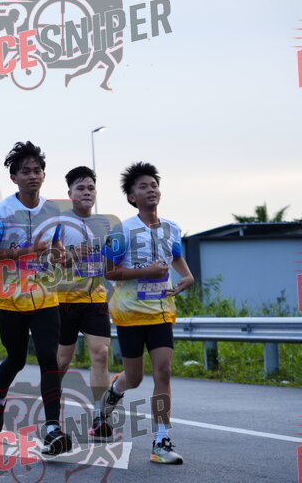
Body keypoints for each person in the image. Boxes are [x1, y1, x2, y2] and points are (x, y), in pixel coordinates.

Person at [101, 162, 195, 464]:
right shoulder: (122, 230)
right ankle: (114, 391)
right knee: (134, 378)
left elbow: (176, 255)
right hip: (129, 313)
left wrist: (187, 276)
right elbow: (109, 271)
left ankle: (161, 441)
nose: (151, 189)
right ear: (132, 197)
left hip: (161, 311)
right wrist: (146, 271)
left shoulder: (172, 227)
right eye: (143, 186)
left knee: (163, 371)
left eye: (154, 185)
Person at [0, 142, 71, 455]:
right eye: (25, 171)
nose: (32, 176)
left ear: (44, 175)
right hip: (11, 298)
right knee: (16, 359)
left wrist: (62, 256)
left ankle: (53, 429)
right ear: (14, 178)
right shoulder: (2, 211)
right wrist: (25, 251)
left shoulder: (54, 211)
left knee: (49, 358)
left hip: (45, 296)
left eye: (37, 170)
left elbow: (57, 248)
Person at [54, 166, 114, 438]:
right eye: (80, 188)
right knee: (61, 362)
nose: (86, 192)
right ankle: (52, 418)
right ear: (70, 194)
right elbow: (49, 261)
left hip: (95, 299)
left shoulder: (106, 224)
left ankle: (100, 417)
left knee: (101, 354)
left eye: (90, 188)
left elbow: (112, 262)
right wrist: (73, 255)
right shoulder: (58, 224)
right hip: (63, 300)